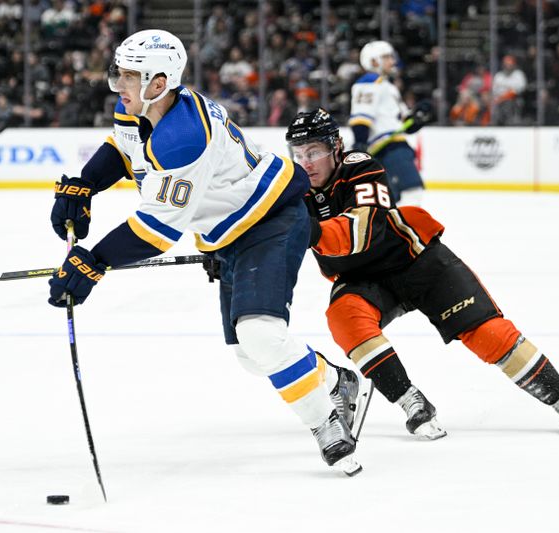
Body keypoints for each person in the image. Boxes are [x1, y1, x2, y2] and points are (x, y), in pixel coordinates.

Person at [47, 29, 361, 471]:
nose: (119, 86)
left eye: (128, 77)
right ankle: (336, 381)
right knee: (251, 355)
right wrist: (85, 184)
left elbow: (156, 229)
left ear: (159, 83)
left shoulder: (183, 138)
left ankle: (326, 424)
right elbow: (123, 147)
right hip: (229, 229)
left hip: (271, 218)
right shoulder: (145, 104)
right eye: (118, 74)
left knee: (260, 335)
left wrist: (93, 262)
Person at [286, 108, 559, 437]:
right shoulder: (293, 189)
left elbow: (364, 229)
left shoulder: (360, 167)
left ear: (336, 147)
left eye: (314, 152)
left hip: (416, 260)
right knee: (344, 318)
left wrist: (307, 230)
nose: (306, 162)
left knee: (488, 333)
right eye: (298, 153)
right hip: (362, 280)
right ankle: (410, 400)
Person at [349, 41, 433, 206]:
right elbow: (361, 117)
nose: (392, 61)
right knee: (411, 191)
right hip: (388, 148)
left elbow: (403, 124)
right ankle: (403, 230)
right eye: (386, 57)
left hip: (393, 146)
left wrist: (417, 117)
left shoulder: (388, 86)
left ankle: (395, 230)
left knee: (394, 198)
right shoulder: (370, 81)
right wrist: (360, 142)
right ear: (373, 61)